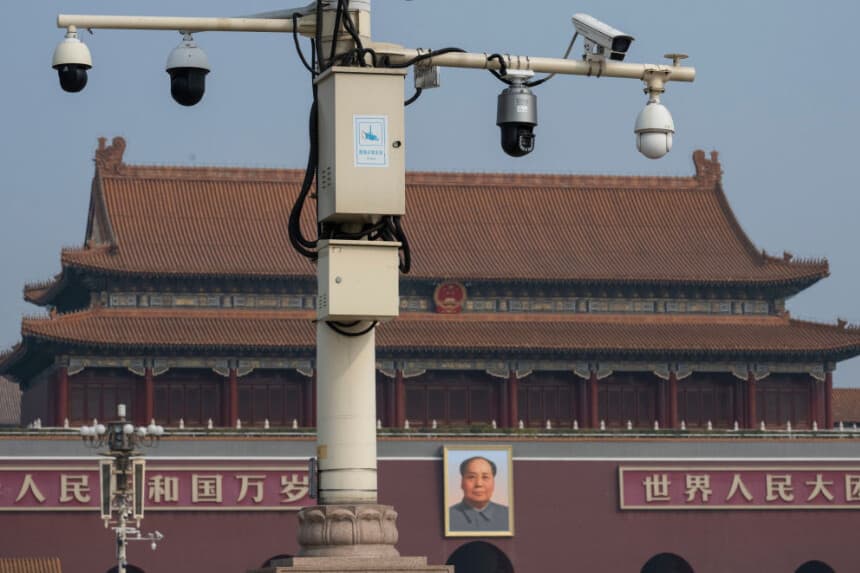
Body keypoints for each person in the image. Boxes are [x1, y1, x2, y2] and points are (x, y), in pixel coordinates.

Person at [448, 455, 510, 532]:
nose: (479, 484)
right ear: (461, 482)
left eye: (485, 477)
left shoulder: (508, 515)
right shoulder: (448, 516)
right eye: (471, 477)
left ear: (494, 483)